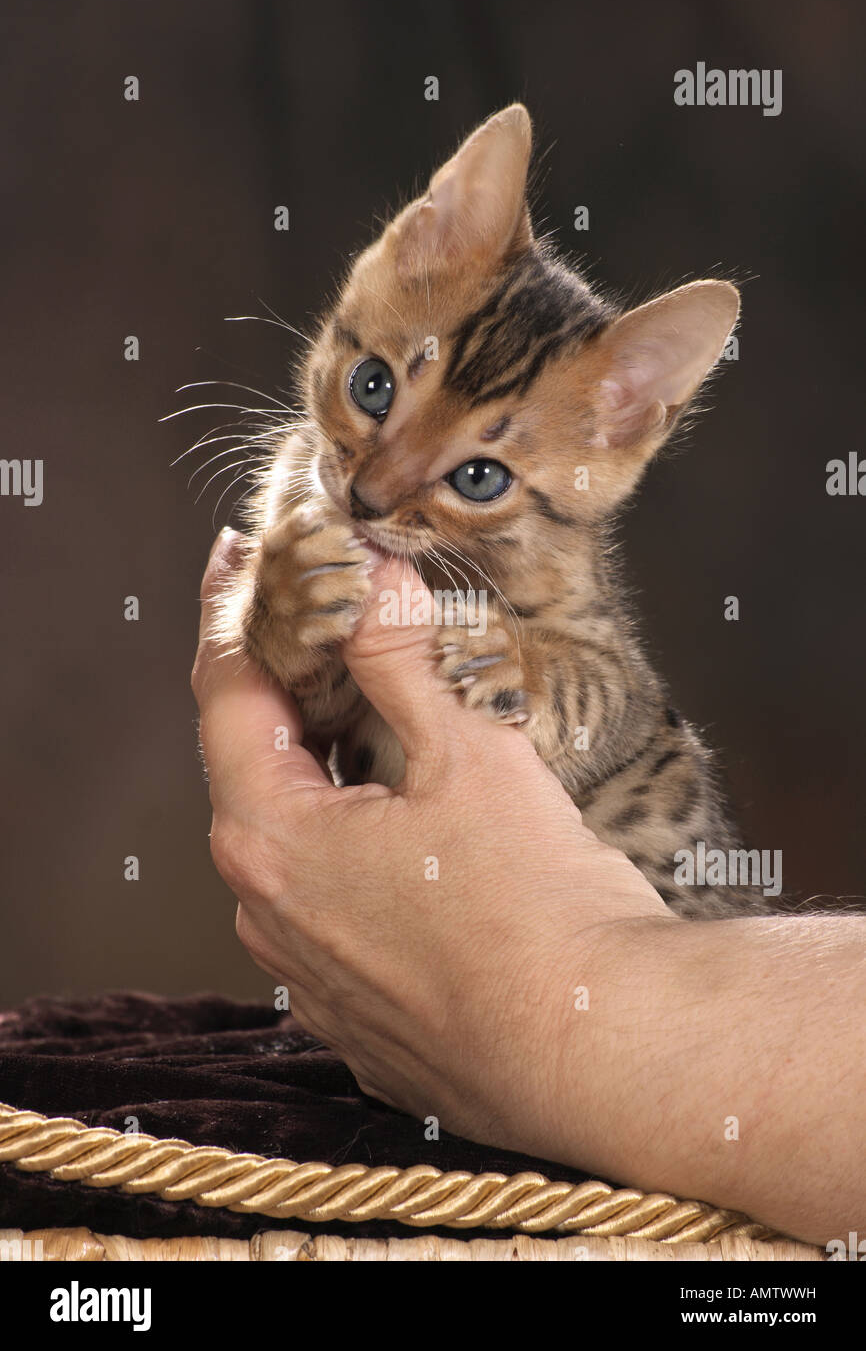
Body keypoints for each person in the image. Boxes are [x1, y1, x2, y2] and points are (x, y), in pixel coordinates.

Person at [192, 529, 865, 1247]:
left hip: (664, 957)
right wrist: (283, 626)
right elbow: (317, 700)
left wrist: (550, 1002)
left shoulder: (558, 574)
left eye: (481, 474)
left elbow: (603, 701)